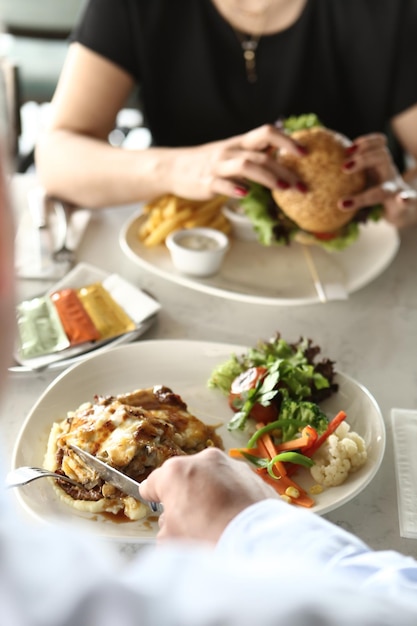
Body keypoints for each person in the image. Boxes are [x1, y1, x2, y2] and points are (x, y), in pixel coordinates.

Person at [34, 0, 417, 230]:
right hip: (186, 263)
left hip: (354, 278)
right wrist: (182, 168)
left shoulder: (391, 10)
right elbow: (56, 158)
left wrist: (406, 198)